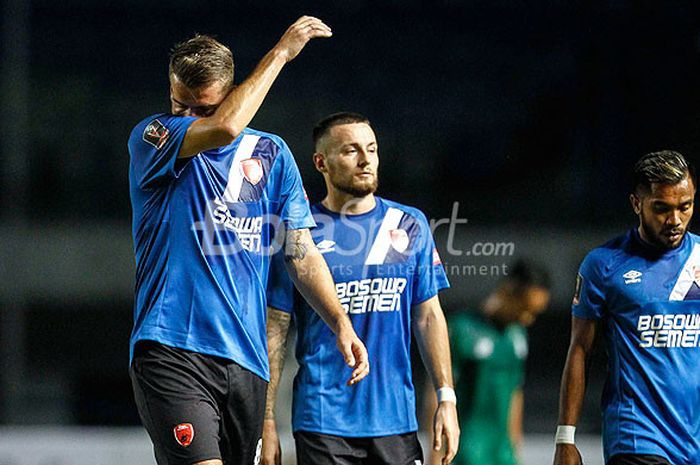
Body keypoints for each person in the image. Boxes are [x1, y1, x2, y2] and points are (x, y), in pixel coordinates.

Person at [127, 19, 369, 465]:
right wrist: (281, 53)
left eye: (203, 109)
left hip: (246, 363)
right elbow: (224, 128)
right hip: (172, 349)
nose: (187, 119)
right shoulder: (154, 137)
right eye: (179, 103)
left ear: (233, 92)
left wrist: (340, 322)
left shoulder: (272, 155)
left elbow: (300, 253)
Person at [263, 112, 460, 465]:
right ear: (321, 162)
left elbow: (429, 316)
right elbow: (275, 326)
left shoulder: (408, 224)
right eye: (351, 150)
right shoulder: (298, 234)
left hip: (396, 421)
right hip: (323, 420)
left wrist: (447, 399)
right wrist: (267, 419)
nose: (366, 159)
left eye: (371, 148)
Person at [553, 150, 699, 465]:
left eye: (684, 207)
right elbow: (580, 350)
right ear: (636, 204)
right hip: (637, 436)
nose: (674, 220)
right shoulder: (604, 265)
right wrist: (565, 437)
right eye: (661, 208)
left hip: (693, 437)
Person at [433, 260, 550, 465]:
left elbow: (515, 394)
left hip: (503, 454)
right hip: (467, 451)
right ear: (509, 290)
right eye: (525, 309)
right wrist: (435, 454)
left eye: (534, 313)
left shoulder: (517, 336)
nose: (528, 318)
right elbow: (438, 392)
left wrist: (515, 448)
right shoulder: (462, 329)